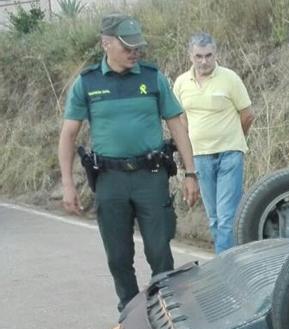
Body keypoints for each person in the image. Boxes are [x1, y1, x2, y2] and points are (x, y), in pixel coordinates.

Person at [58, 13, 199, 312]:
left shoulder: (153, 77)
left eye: (138, 47)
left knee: (160, 251)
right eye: (127, 47)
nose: (135, 53)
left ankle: (167, 310)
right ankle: (130, 309)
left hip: (151, 177)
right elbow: (69, 135)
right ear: (106, 44)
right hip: (110, 181)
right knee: (118, 256)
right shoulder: (87, 83)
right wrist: (68, 184)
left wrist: (191, 173)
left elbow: (177, 127)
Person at [173, 33, 256, 253]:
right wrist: (185, 159)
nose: (204, 61)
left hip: (229, 156)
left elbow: (247, 114)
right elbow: (181, 121)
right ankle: (232, 260)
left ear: (216, 54)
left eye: (208, 55)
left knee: (227, 217)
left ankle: (224, 266)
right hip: (200, 157)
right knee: (214, 218)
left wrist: (235, 141)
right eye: (199, 56)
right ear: (190, 56)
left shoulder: (230, 78)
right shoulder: (181, 83)